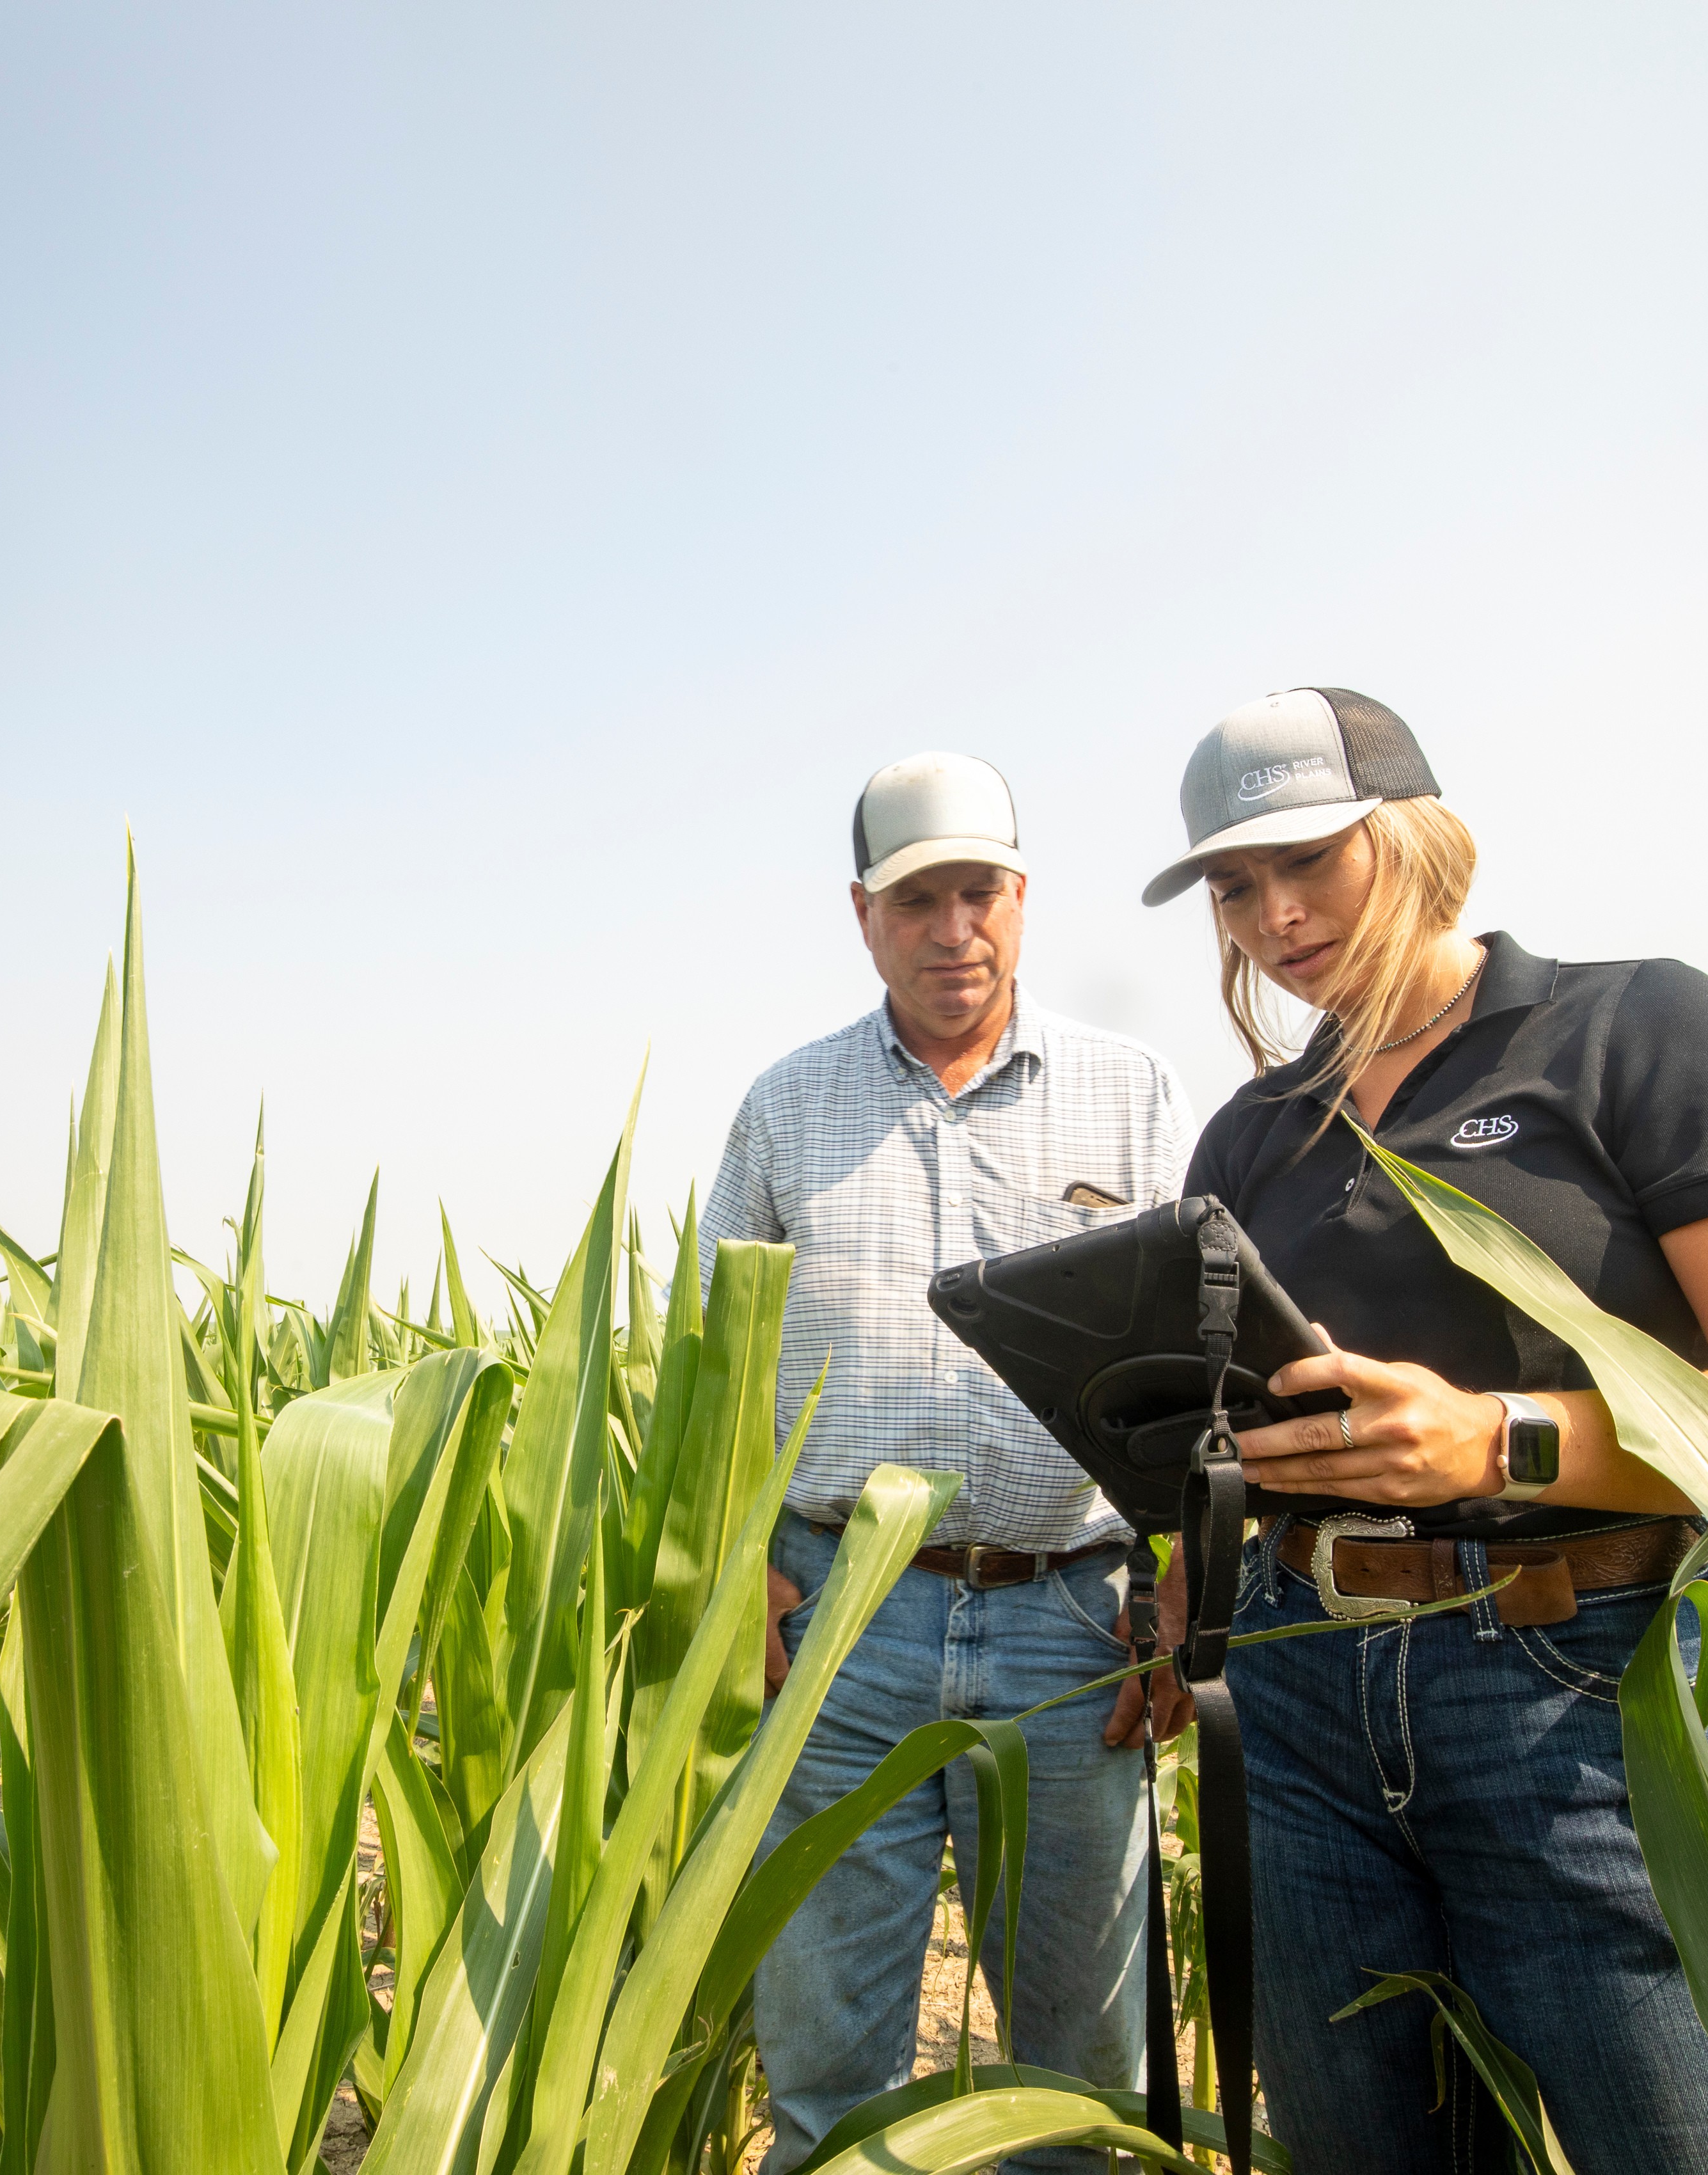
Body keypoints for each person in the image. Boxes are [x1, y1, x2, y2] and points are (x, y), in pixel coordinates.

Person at [1141, 688, 1708, 2173]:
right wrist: (1187, 1581)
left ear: (1417, 839)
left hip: (1586, 1690)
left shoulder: (1634, 1028)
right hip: (1302, 1708)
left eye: (1312, 860)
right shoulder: (1252, 1128)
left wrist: (1503, 1440)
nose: (1275, 915)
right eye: (1235, 885)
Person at [704, 751, 1199, 2175]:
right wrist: (745, 1574)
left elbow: (1197, 1371)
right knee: (825, 2048)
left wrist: (1183, 1581)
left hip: (1074, 1621)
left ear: (1022, 899)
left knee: (1077, 2070)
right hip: (840, 1619)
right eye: (917, 898)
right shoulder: (785, 1110)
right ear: (864, 914)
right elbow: (714, 1370)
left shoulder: (1133, 1092)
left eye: (978, 891)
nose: (953, 929)